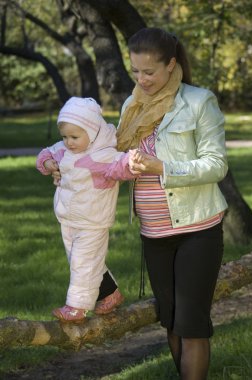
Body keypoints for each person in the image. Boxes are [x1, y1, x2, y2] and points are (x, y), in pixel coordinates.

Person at [116, 27, 228, 380]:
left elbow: (216, 164)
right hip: (153, 233)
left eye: (149, 72)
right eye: (135, 71)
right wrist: (60, 166)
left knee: (192, 324)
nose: (142, 79)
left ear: (171, 65)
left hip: (198, 229)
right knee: (172, 321)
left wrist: (163, 167)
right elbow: (108, 158)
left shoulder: (198, 101)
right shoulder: (131, 106)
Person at [36, 97, 136, 323]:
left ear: (92, 132)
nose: (69, 142)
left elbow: (121, 166)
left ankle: (76, 307)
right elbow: (44, 155)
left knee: (83, 262)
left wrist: (134, 161)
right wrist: (48, 164)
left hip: (93, 221)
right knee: (85, 261)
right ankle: (111, 294)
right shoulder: (63, 151)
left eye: (74, 137)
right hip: (68, 218)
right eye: (65, 137)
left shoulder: (102, 155)